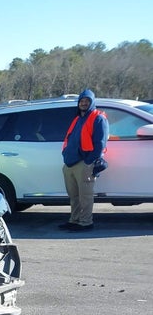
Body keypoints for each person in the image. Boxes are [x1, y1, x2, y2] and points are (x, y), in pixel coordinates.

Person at [59, 89, 109, 231]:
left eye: (87, 101)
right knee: (74, 196)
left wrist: (89, 162)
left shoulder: (98, 118)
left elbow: (100, 143)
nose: (84, 103)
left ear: (92, 102)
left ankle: (86, 222)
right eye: (81, 101)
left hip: (84, 163)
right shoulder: (77, 119)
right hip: (70, 163)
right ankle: (74, 220)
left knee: (85, 196)